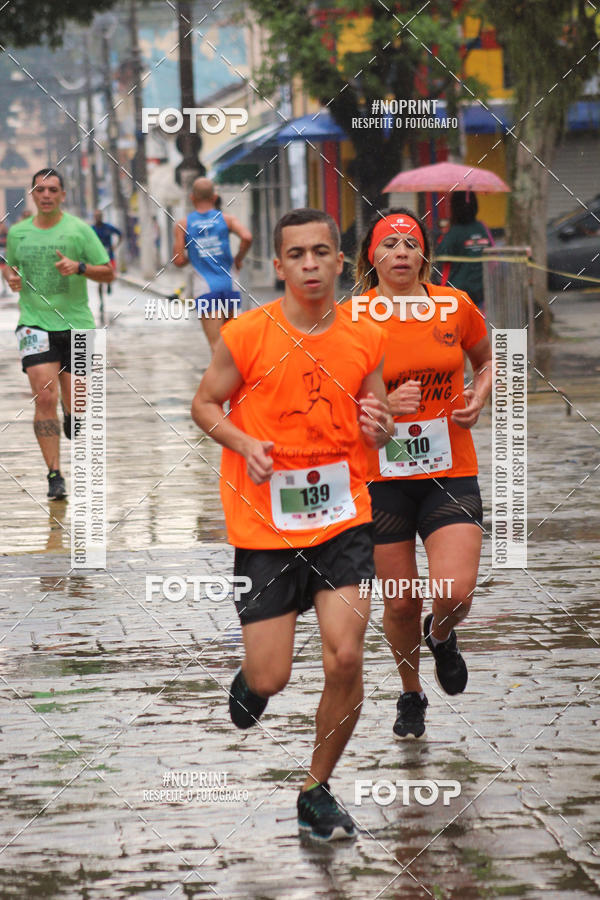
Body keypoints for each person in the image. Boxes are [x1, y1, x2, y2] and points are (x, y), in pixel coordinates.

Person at [191, 208, 393, 840]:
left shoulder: (365, 337)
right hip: (265, 529)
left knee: (347, 655)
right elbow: (203, 403)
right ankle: (253, 677)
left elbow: (376, 414)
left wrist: (380, 426)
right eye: (297, 254)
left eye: (322, 252)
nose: (310, 264)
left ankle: (316, 788)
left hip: (343, 518)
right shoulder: (248, 334)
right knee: (271, 676)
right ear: (277, 266)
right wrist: (244, 441)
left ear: (341, 262)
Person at [354, 208, 492, 740]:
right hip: (382, 478)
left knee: (454, 592)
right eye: (389, 245)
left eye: (411, 243)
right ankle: (411, 692)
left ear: (425, 254)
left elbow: (487, 360)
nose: (401, 253)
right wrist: (382, 403)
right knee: (401, 599)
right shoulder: (354, 316)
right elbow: (333, 396)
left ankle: (444, 632)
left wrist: (478, 398)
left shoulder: (453, 306)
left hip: (449, 469)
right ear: (373, 257)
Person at [3, 168, 114, 499]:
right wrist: (11, 277)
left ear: (62, 195)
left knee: (77, 405)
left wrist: (79, 267)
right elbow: (11, 266)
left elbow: (109, 272)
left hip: (77, 323)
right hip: (33, 322)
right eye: (40, 190)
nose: (46, 195)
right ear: (33, 195)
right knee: (45, 396)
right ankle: (54, 474)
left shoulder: (80, 231)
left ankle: (73, 414)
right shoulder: (19, 233)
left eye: (52, 189)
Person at [173, 177, 252, 353]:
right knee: (232, 344)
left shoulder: (183, 225)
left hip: (205, 290)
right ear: (215, 197)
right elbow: (247, 237)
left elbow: (178, 260)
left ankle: (222, 380)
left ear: (192, 198)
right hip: (229, 286)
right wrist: (238, 258)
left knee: (216, 346)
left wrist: (193, 256)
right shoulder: (227, 219)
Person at [436, 191, 493, 308]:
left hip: (457, 293)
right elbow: (493, 255)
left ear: (454, 208)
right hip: (481, 292)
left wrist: (443, 236)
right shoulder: (482, 228)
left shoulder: (454, 232)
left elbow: (440, 255)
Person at [92, 209, 122, 295]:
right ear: (94, 218)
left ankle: (109, 283)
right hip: (98, 257)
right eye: (96, 216)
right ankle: (101, 303)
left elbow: (120, 234)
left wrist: (116, 246)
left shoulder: (108, 227)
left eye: (99, 216)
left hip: (109, 256)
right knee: (99, 280)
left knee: (110, 274)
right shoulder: (92, 229)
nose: (98, 218)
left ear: (102, 217)